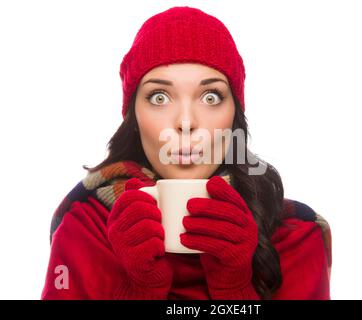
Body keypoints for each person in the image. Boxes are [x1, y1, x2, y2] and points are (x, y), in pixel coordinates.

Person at [41, 6, 332, 300]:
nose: (185, 122)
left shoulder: (297, 235)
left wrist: (235, 289)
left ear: (234, 116)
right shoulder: (84, 228)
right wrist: (138, 291)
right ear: (134, 118)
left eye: (210, 96)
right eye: (159, 97)